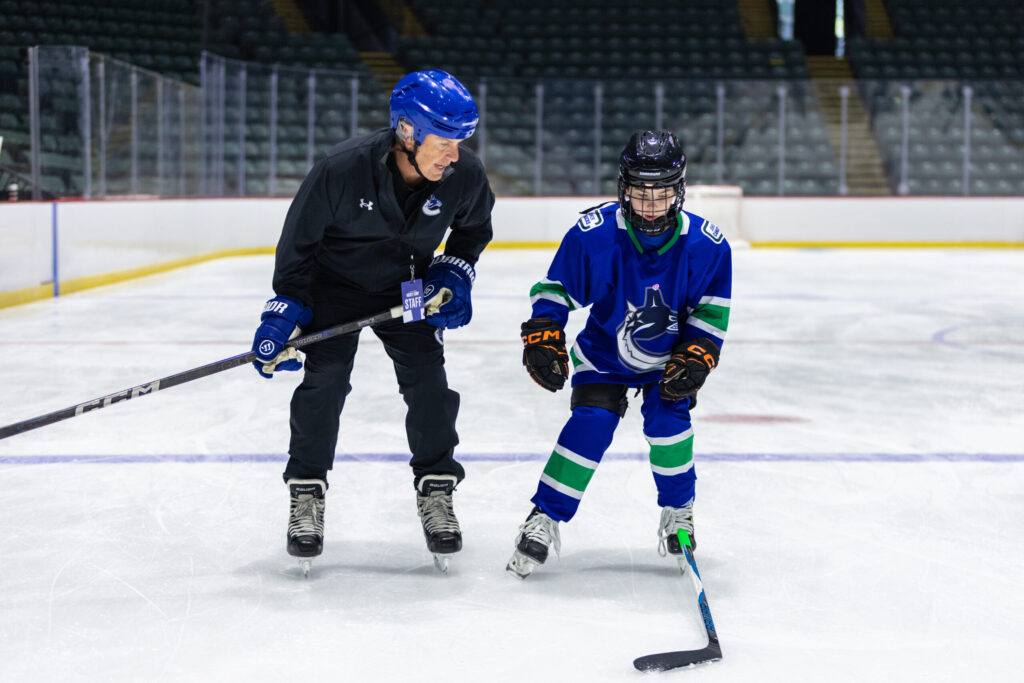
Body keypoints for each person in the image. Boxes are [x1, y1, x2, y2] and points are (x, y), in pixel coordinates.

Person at [251, 69, 495, 573]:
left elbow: (473, 231)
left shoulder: (464, 176)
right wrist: (283, 316)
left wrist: (453, 274)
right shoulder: (339, 170)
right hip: (334, 289)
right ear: (407, 131)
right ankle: (307, 494)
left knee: (428, 382)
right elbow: (296, 251)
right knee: (325, 381)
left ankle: (436, 489)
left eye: (460, 142)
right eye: (444, 142)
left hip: (409, 290)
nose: (454, 155)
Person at [507, 130, 732, 578]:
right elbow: (555, 291)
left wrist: (697, 353)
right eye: (640, 192)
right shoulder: (593, 236)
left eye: (662, 193)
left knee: (669, 423)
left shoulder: (708, 244)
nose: (651, 205)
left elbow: (710, 312)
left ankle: (679, 512)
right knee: (590, 425)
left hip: (667, 361)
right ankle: (544, 516)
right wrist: (544, 332)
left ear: (680, 190)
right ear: (622, 189)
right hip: (605, 357)